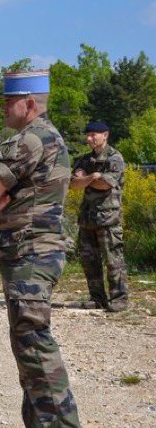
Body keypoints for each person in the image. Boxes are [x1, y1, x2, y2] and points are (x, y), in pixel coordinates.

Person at [0, 71, 81, 428]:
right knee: (27, 344)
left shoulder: (29, 139)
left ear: (30, 104)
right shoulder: (50, 137)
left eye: (9, 101)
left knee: (34, 344)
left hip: (29, 252)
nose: (3, 106)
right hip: (33, 251)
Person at [70, 121, 128, 312]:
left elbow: (106, 184)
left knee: (113, 259)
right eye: (88, 135)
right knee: (89, 261)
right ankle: (97, 298)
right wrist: (92, 177)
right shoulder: (84, 160)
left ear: (105, 135)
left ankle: (119, 299)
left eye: (94, 135)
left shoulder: (115, 158)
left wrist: (89, 179)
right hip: (87, 218)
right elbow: (74, 184)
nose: (89, 139)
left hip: (108, 218)